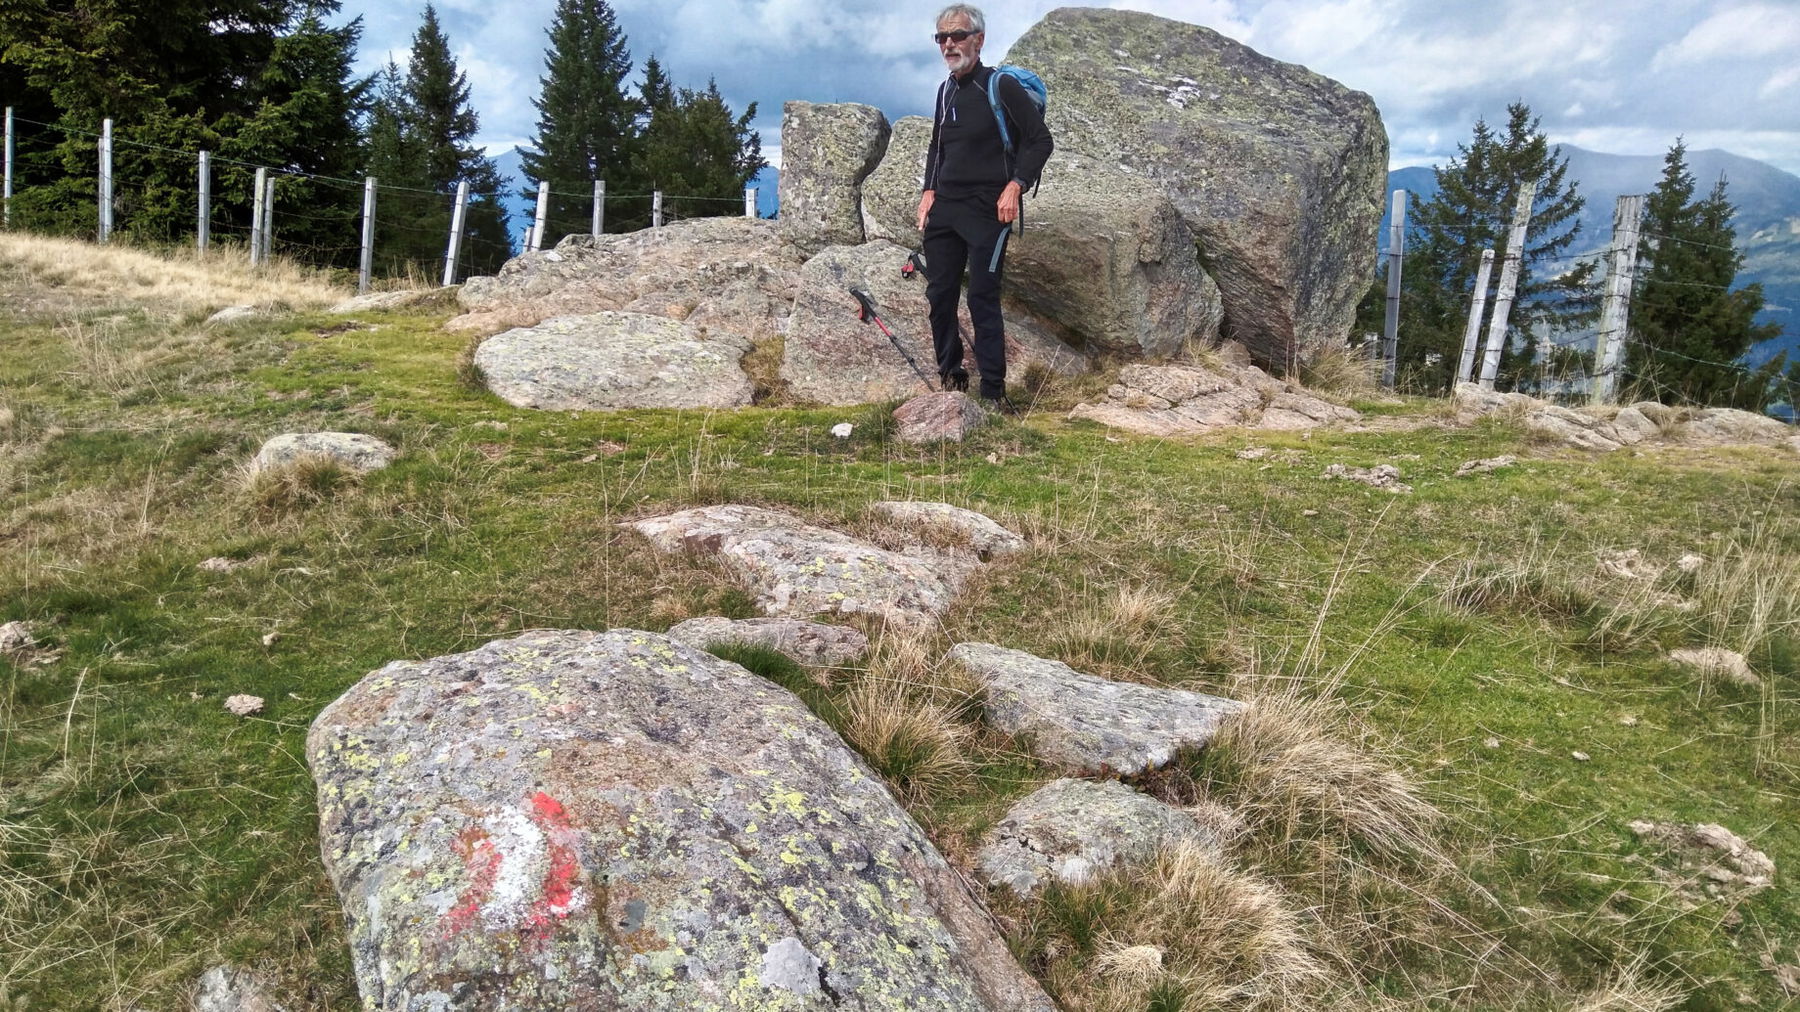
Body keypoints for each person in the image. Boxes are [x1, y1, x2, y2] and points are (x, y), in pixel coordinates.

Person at [916, 4, 1052, 412]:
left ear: (979, 39)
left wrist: (1016, 185)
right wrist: (928, 191)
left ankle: (994, 393)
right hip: (946, 209)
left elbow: (1040, 140)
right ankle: (951, 377)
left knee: (981, 298)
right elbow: (938, 146)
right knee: (939, 294)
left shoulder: (999, 86)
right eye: (941, 37)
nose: (948, 44)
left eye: (957, 35)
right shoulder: (944, 90)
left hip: (989, 212)